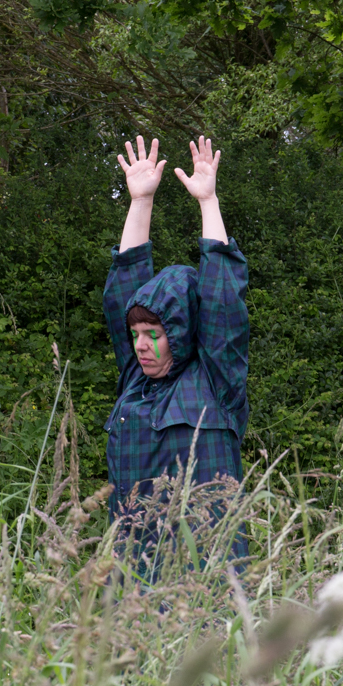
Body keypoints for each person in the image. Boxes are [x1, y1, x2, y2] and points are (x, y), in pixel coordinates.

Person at [102, 134, 250, 570]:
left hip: (206, 581)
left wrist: (209, 202)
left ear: (182, 332)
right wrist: (140, 200)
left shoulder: (215, 383)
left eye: (155, 334)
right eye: (136, 335)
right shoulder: (135, 380)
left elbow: (223, 298)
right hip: (134, 578)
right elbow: (123, 287)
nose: (142, 347)